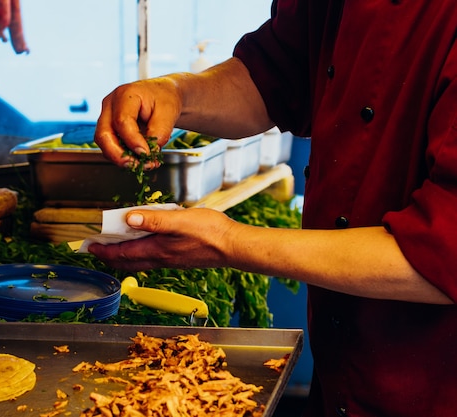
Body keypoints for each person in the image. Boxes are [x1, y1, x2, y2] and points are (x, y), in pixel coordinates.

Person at [88, 1, 457, 416]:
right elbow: (271, 77)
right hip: (341, 372)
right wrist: (177, 92)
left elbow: (442, 256)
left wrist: (228, 242)